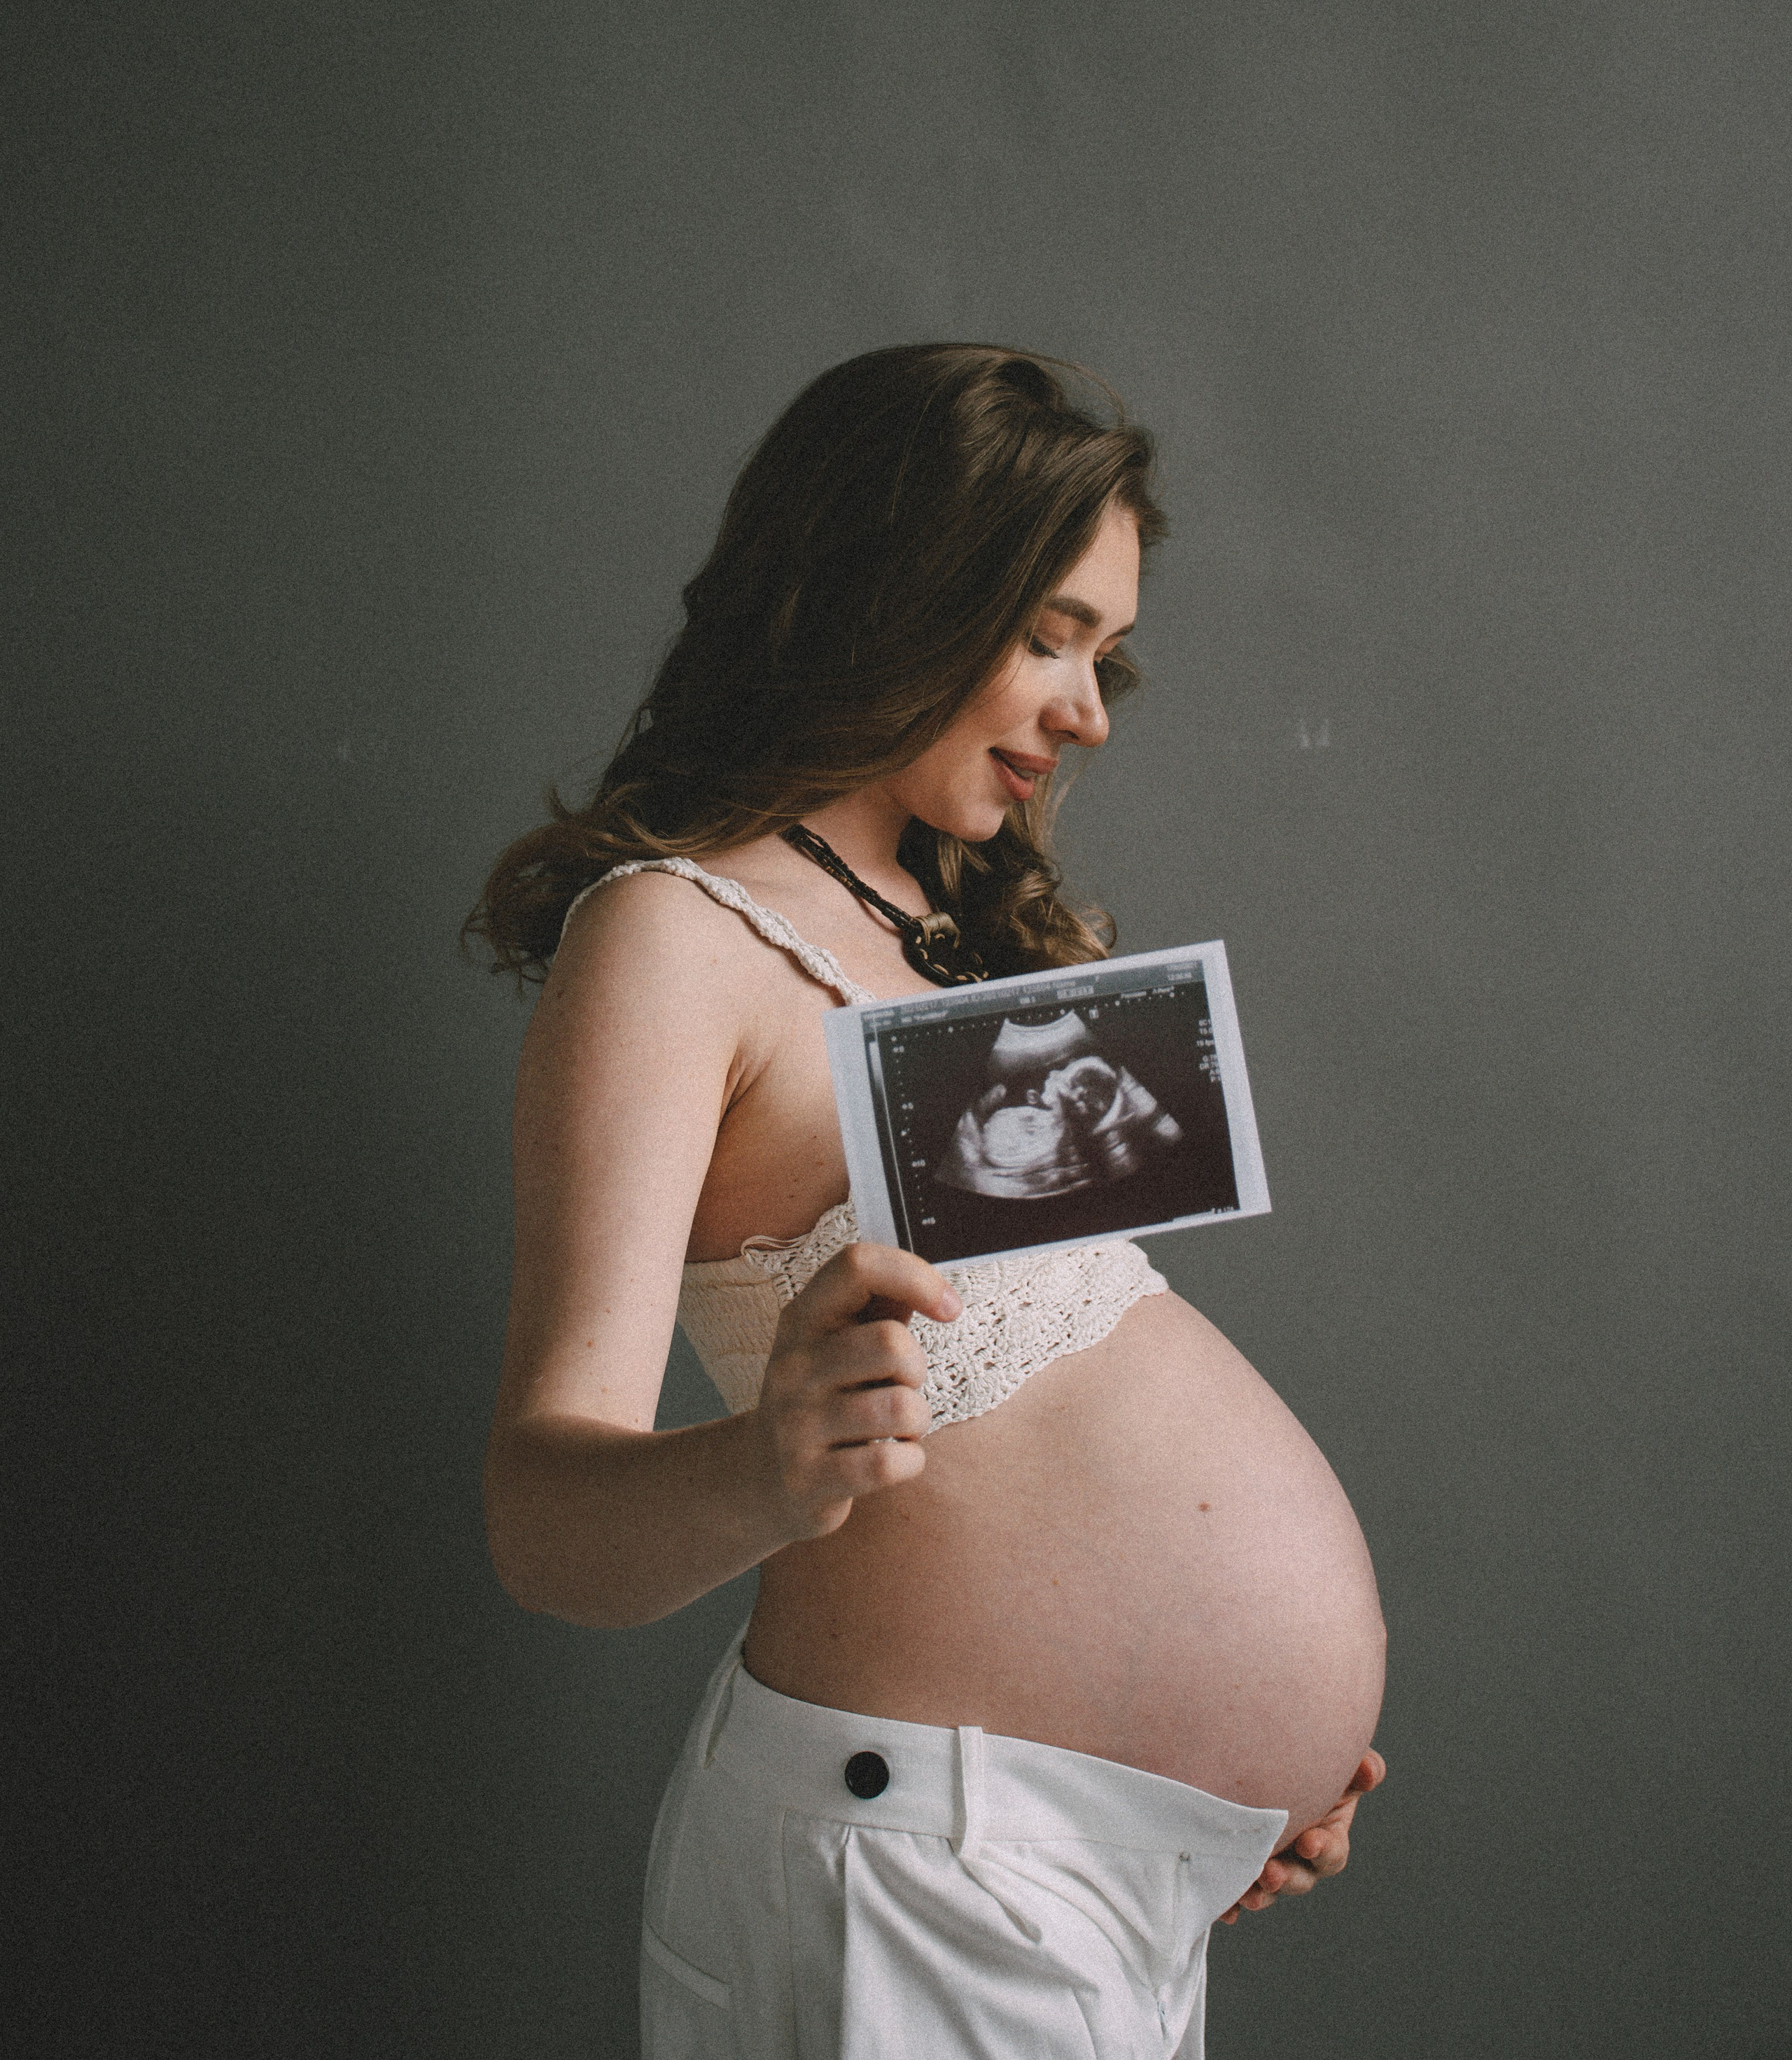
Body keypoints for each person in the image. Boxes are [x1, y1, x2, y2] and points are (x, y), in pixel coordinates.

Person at [468, 345, 1387, 2058]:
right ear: (880, 588)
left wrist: (1218, 1782)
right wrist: (760, 1464)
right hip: (912, 1874)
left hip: (1084, 1869)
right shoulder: (673, 940)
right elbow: (542, 1525)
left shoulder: (956, 932)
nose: (1088, 710)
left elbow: (1065, 1417)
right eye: (1045, 635)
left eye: (1106, 654)